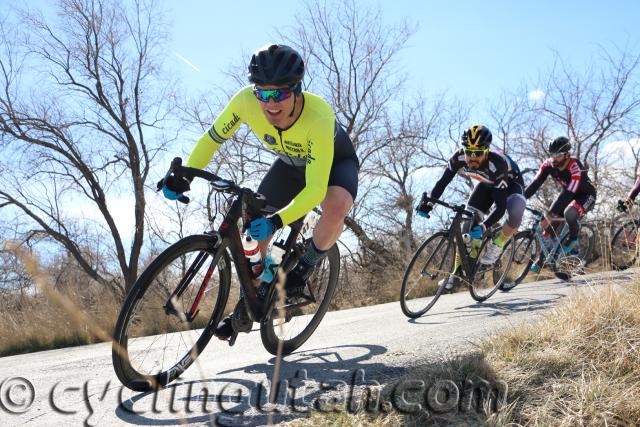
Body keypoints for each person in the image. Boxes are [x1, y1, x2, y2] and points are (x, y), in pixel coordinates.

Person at [160, 44, 359, 340]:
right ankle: (251, 300)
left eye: (279, 93)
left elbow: (316, 189)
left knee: (336, 206)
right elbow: (212, 139)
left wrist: (278, 220)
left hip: (334, 165)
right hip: (290, 166)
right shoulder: (244, 102)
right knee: (253, 232)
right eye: (262, 93)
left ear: (297, 90)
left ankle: (305, 266)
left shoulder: (318, 116)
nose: (270, 103)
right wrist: (186, 174)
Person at [416, 125, 526, 289]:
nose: (472, 158)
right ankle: (457, 274)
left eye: (478, 153)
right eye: (469, 152)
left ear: (487, 151)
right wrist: (429, 203)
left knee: (516, 209)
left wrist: (484, 226)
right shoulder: (458, 158)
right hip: (486, 185)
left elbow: (501, 207)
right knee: (466, 226)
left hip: (509, 186)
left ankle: (498, 244)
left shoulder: (497, 164)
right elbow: (442, 183)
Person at [524, 136, 596, 270]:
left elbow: (570, 192)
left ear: (567, 155)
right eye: (551, 154)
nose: (553, 158)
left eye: (557, 155)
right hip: (568, 194)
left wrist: (551, 214)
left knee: (569, 213)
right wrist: (521, 198)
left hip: (585, 196)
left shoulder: (575, 166)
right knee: (548, 226)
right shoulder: (548, 164)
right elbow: (536, 183)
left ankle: (573, 239)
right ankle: (542, 257)